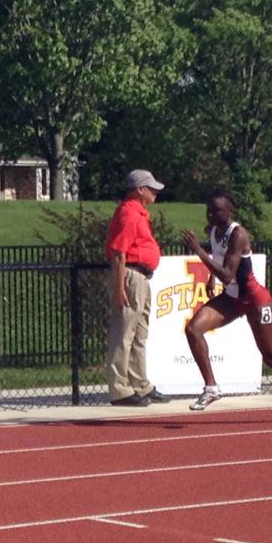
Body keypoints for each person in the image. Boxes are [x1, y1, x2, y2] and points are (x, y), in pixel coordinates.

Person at [181, 190, 272, 423]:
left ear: (229, 212)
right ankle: (211, 387)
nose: (210, 214)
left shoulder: (238, 234)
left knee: (271, 357)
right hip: (232, 298)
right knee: (193, 329)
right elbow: (219, 257)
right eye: (208, 210)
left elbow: (228, 274)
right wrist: (210, 278)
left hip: (254, 300)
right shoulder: (212, 231)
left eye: (216, 211)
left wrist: (198, 252)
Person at [104, 169, 169, 407]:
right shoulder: (129, 213)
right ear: (139, 189)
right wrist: (119, 287)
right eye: (151, 188)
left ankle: (140, 384)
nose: (155, 192)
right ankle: (120, 389)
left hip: (141, 277)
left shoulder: (137, 213)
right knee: (124, 334)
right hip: (132, 276)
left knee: (139, 334)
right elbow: (119, 253)